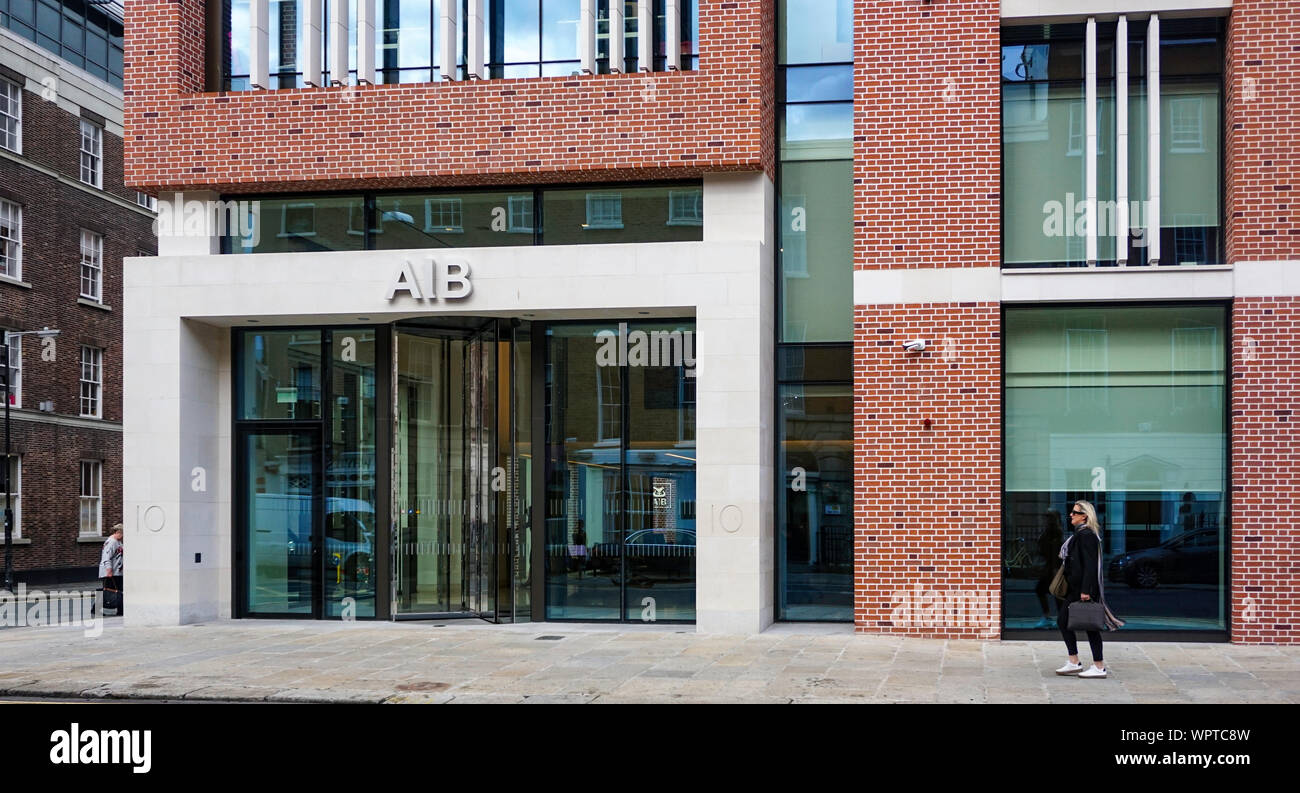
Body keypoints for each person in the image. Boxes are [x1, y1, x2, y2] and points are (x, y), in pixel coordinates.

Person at [1054, 500, 1122, 678]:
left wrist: (1085, 590)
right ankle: (1077, 662)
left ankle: (1094, 666)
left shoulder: (1087, 536)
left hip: (1082, 589)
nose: (1071, 515)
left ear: (1084, 516)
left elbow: (1090, 565)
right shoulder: (1081, 534)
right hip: (1076, 587)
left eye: (1075, 512)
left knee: (1085, 625)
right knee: (1075, 623)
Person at [1033, 509, 1063, 629]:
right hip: (1050, 566)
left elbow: (1054, 550)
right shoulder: (1050, 529)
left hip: (1052, 567)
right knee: (1053, 592)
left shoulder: (1054, 530)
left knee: (1043, 590)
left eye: (1048, 516)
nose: (1045, 518)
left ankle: (1049, 617)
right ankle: (1053, 617)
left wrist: (1055, 568)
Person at [99, 523, 124, 615]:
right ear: (118, 532)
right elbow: (106, 557)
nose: (123, 536)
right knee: (108, 591)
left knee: (117, 591)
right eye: (122, 534)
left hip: (117, 572)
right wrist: (109, 570)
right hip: (110, 572)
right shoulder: (111, 542)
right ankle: (96, 609)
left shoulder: (118, 542)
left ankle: (120, 610)